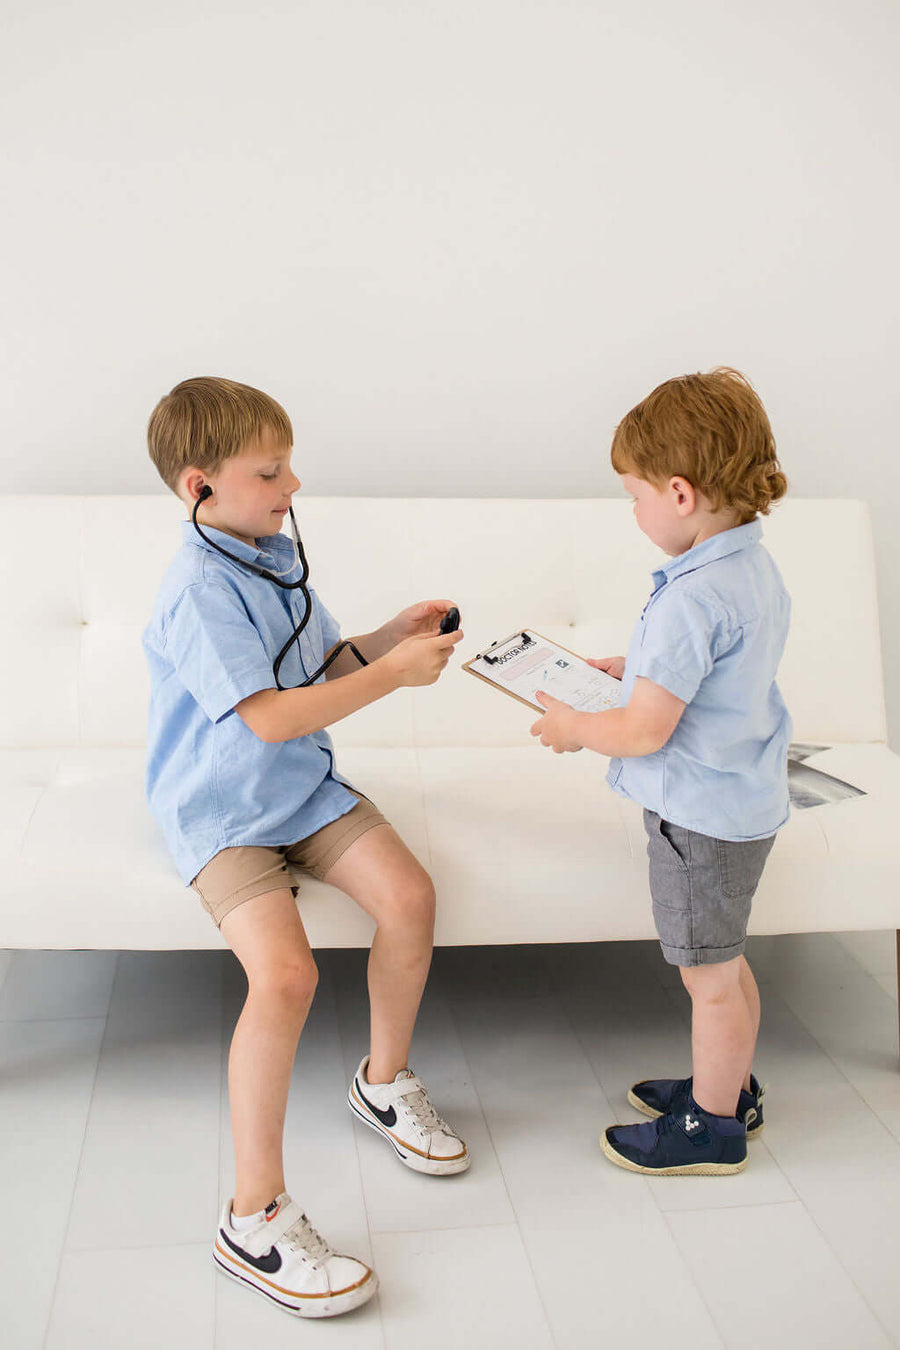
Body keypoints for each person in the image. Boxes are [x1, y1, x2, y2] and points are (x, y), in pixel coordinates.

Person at [142, 376, 468, 1318]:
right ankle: (253, 1217)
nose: (292, 485)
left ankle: (383, 1082)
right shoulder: (199, 589)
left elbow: (319, 670)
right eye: (270, 471)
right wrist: (396, 681)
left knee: (410, 897)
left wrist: (387, 639)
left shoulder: (270, 555)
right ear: (199, 486)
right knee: (285, 979)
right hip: (224, 814)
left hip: (302, 794)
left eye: (289, 466)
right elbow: (273, 717)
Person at [531, 368, 790, 1176]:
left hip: (697, 816)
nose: (634, 510)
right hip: (742, 801)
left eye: (633, 493)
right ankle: (731, 1085)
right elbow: (707, 677)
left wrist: (576, 725)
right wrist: (631, 665)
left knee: (707, 975)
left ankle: (711, 1125)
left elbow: (645, 732)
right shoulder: (749, 570)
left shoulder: (690, 598)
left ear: (679, 494)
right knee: (726, 959)